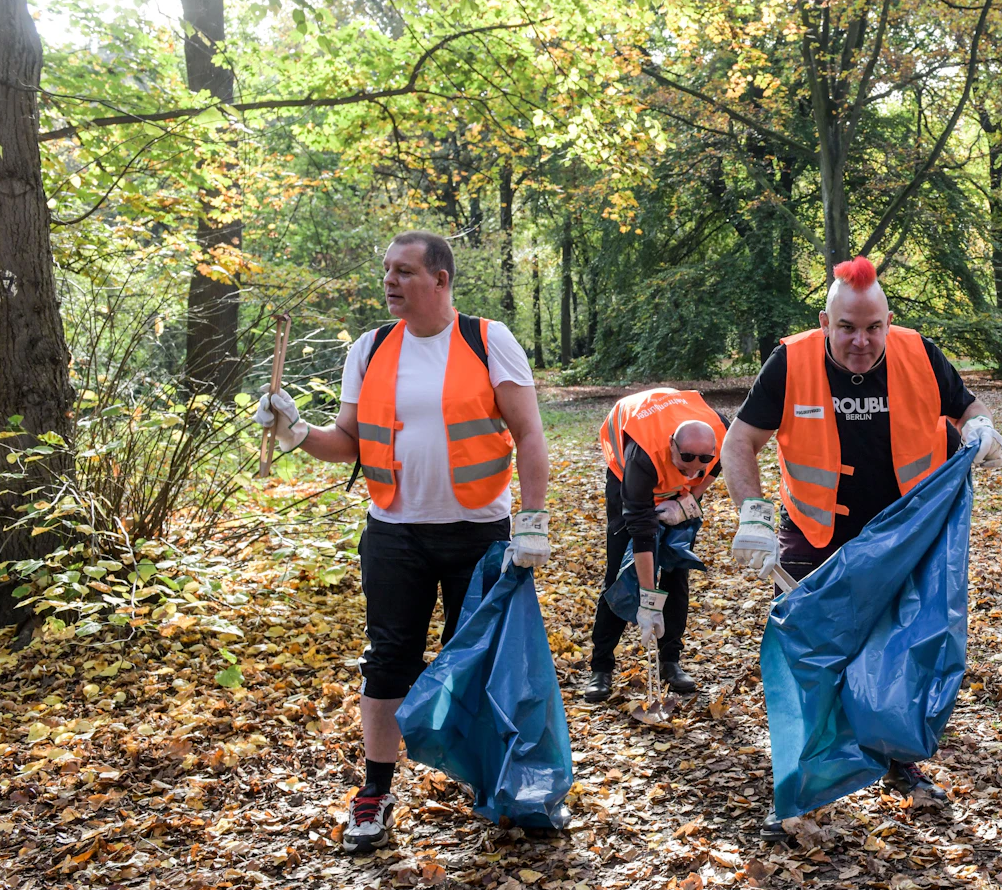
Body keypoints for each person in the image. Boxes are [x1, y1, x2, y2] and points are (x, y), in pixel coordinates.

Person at [253, 231, 551, 854]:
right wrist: (294, 430)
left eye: (404, 271)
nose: (389, 281)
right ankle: (375, 792)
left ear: (441, 280)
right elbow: (347, 443)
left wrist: (532, 520)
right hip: (394, 532)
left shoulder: (488, 340)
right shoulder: (370, 349)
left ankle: (495, 783)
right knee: (389, 659)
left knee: (478, 661)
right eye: (386, 270)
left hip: (480, 532)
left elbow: (527, 433)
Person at [721, 256, 1002, 831]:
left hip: (907, 536)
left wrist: (979, 425)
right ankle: (802, 780)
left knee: (905, 649)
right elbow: (739, 444)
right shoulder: (791, 360)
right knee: (810, 653)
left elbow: (968, 405)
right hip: (818, 531)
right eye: (847, 328)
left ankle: (901, 759)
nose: (861, 341)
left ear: (888, 320)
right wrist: (752, 515)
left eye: (873, 327)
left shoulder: (919, 352)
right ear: (825, 322)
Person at [585, 389, 728, 703]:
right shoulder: (642, 458)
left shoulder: (720, 432)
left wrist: (688, 500)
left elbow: (717, 467)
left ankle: (670, 661)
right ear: (672, 446)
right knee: (621, 572)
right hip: (628, 480)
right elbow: (642, 533)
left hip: (672, 484)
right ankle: (601, 666)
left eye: (703, 459)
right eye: (686, 459)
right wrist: (648, 601)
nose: (694, 468)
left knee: (677, 567)